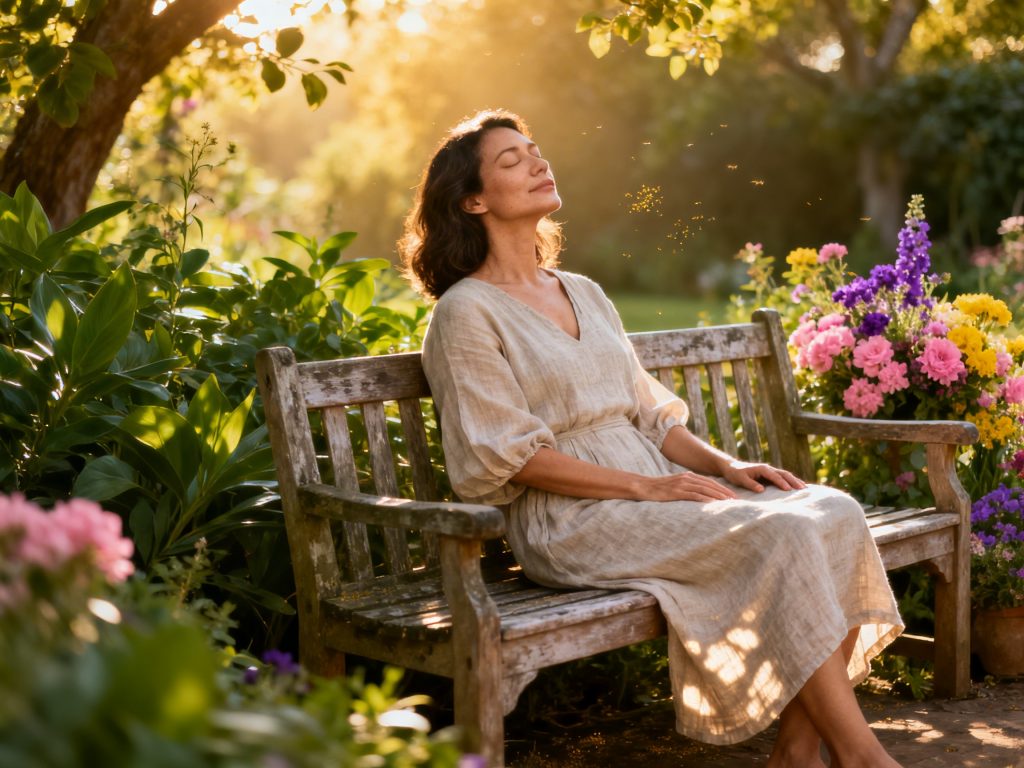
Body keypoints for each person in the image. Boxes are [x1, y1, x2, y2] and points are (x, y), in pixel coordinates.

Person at [399, 109, 904, 768]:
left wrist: (729, 465)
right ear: (472, 199)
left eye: (536, 149)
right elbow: (508, 457)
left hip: (654, 492)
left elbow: (650, 414)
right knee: (780, 533)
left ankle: (798, 752)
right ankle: (863, 757)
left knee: (832, 510)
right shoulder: (464, 313)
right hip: (568, 518)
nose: (536, 162)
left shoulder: (581, 290)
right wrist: (646, 486)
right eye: (510, 160)